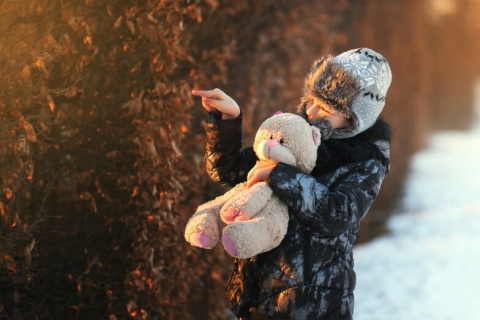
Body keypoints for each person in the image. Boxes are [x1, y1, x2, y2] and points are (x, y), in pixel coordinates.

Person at [192, 48, 392, 320]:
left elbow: (336, 214)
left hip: (313, 308)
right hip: (256, 298)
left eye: (325, 107)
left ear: (355, 119)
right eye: (311, 99)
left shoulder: (366, 161)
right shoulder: (297, 135)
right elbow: (226, 172)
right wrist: (229, 119)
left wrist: (280, 174)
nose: (309, 111)